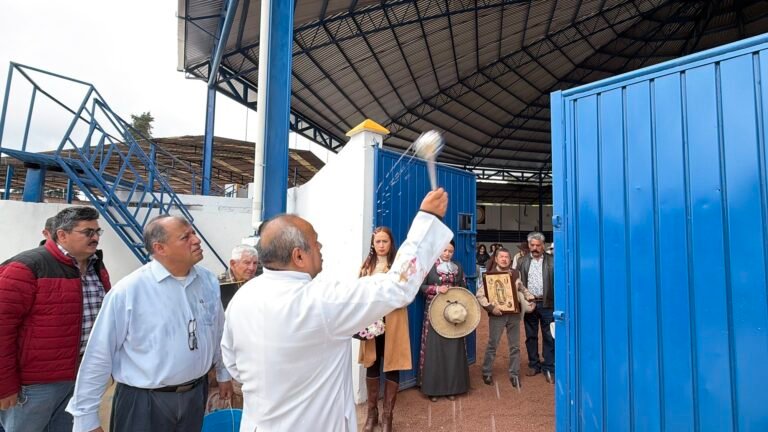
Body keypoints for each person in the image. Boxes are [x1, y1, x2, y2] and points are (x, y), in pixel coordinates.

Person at [221, 189, 451, 432]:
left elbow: (233, 363)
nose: (320, 246)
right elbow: (397, 286)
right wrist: (428, 218)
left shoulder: (242, 298)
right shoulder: (319, 302)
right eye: (315, 241)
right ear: (298, 255)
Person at [65, 215, 233, 432]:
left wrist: (223, 373)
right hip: (144, 402)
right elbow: (99, 353)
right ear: (160, 248)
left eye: (193, 233)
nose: (196, 240)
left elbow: (217, 330)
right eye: (185, 237)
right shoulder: (130, 291)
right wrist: (86, 417)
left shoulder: (208, 281)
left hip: (195, 395)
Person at [0, 206, 111, 431]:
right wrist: (5, 385)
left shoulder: (95, 266)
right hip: (33, 386)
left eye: (98, 232)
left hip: (80, 377)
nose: (96, 238)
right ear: (62, 235)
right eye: (88, 232)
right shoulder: (27, 267)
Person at [357, 227, 411, 432]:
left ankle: (388, 416)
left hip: (394, 320)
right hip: (372, 321)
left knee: (392, 364)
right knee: (372, 363)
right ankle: (372, 414)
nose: (380, 245)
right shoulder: (366, 266)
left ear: (391, 244)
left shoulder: (400, 266)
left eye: (384, 242)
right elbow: (359, 292)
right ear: (373, 244)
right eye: (377, 242)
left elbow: (408, 292)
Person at [476, 248, 535, 389]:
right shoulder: (489, 275)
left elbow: (521, 288)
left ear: (510, 259)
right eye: (501, 257)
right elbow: (480, 295)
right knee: (492, 344)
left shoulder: (515, 273)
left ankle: (514, 374)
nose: (504, 259)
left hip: (514, 314)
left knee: (515, 346)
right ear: (496, 259)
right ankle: (487, 371)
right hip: (497, 315)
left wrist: (529, 297)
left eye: (506, 257)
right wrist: (491, 308)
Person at [418, 240, 469, 401]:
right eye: (444, 250)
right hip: (434, 311)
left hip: (453, 313)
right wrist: (436, 289)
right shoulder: (429, 266)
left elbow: (463, 287)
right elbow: (420, 286)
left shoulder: (458, 267)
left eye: (450, 251)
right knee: (435, 349)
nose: (447, 253)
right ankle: (433, 389)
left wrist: (458, 294)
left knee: (453, 349)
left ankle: (452, 387)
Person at [517, 231, 555, 384]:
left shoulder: (553, 261)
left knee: (549, 337)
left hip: (548, 303)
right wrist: (523, 301)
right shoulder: (521, 261)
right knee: (530, 336)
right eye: (532, 245)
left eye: (538, 245)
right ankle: (534, 364)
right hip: (529, 304)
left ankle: (549, 367)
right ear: (528, 245)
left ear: (543, 246)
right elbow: (517, 284)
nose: (535, 248)